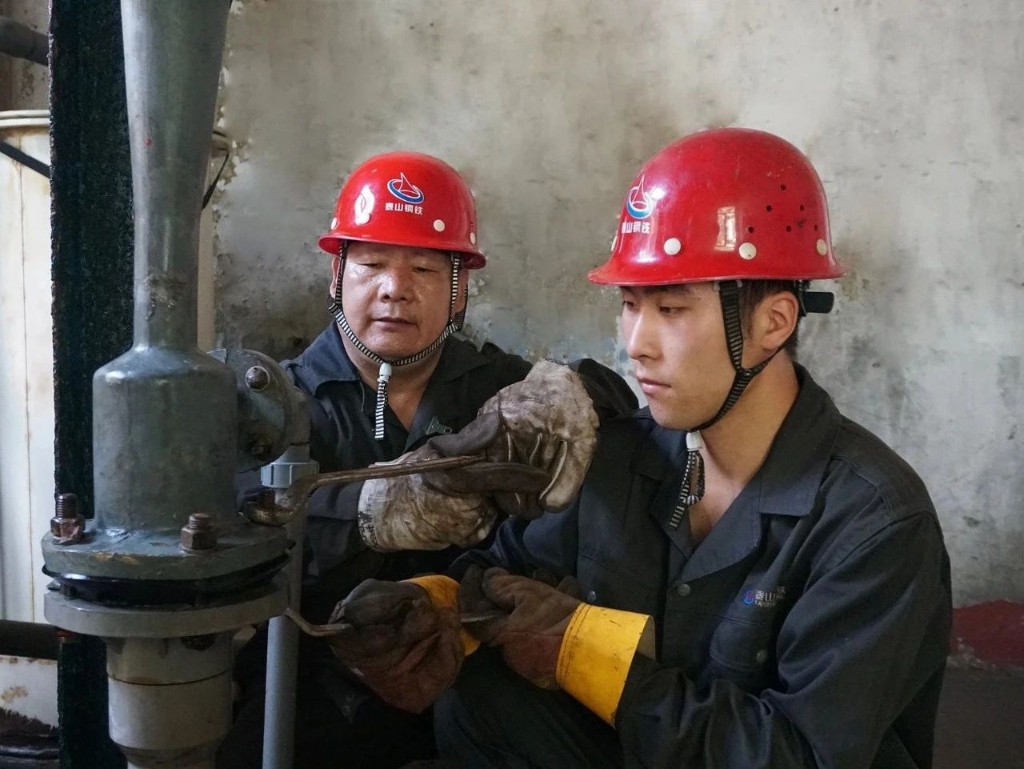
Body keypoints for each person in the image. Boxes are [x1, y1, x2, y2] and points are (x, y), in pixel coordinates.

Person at [325, 129, 952, 769]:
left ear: (774, 322)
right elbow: (503, 565)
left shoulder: (872, 523)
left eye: (672, 309)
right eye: (630, 304)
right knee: (480, 694)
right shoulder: (624, 455)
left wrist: (591, 655)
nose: (636, 344)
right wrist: (434, 604)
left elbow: (798, 756)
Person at [217, 151, 637, 768]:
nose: (396, 288)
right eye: (372, 265)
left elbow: (624, 419)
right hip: (321, 673)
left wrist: (578, 394)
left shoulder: (499, 388)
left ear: (458, 287)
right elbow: (236, 512)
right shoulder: (278, 403)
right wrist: (369, 509)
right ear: (337, 275)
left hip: (470, 666)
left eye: (424, 268)